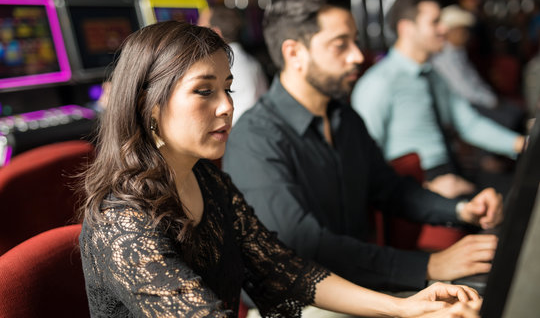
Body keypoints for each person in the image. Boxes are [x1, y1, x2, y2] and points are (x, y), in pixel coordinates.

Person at [78, 20, 481, 317]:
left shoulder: (208, 181)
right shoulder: (122, 222)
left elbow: (285, 269)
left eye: (227, 88)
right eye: (204, 91)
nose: (226, 106)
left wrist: (403, 307)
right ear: (149, 105)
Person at [223, 0, 501, 310]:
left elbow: (391, 190)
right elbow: (307, 248)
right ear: (294, 53)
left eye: (354, 41)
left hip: (362, 285)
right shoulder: (255, 138)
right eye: (341, 45)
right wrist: (428, 265)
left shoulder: (345, 117)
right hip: (296, 302)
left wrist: (459, 209)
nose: (357, 55)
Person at [351, 0, 526, 198]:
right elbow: (364, 158)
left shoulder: (434, 75)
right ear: (407, 28)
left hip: (452, 169)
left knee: (524, 194)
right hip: (415, 182)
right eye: (435, 23)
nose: (444, 29)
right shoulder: (379, 82)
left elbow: (469, 124)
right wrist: (424, 188)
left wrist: (522, 144)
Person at [431, 4, 524, 132]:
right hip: (470, 107)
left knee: (517, 114)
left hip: (478, 102)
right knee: (513, 120)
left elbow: (473, 81)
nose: (466, 35)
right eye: (462, 30)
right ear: (451, 31)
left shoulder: (457, 52)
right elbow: (464, 89)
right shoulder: (445, 56)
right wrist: (490, 100)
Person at [198, 4, 268, 125]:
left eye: (201, 28)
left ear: (216, 33)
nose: (196, 35)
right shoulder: (250, 62)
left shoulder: (220, 66)